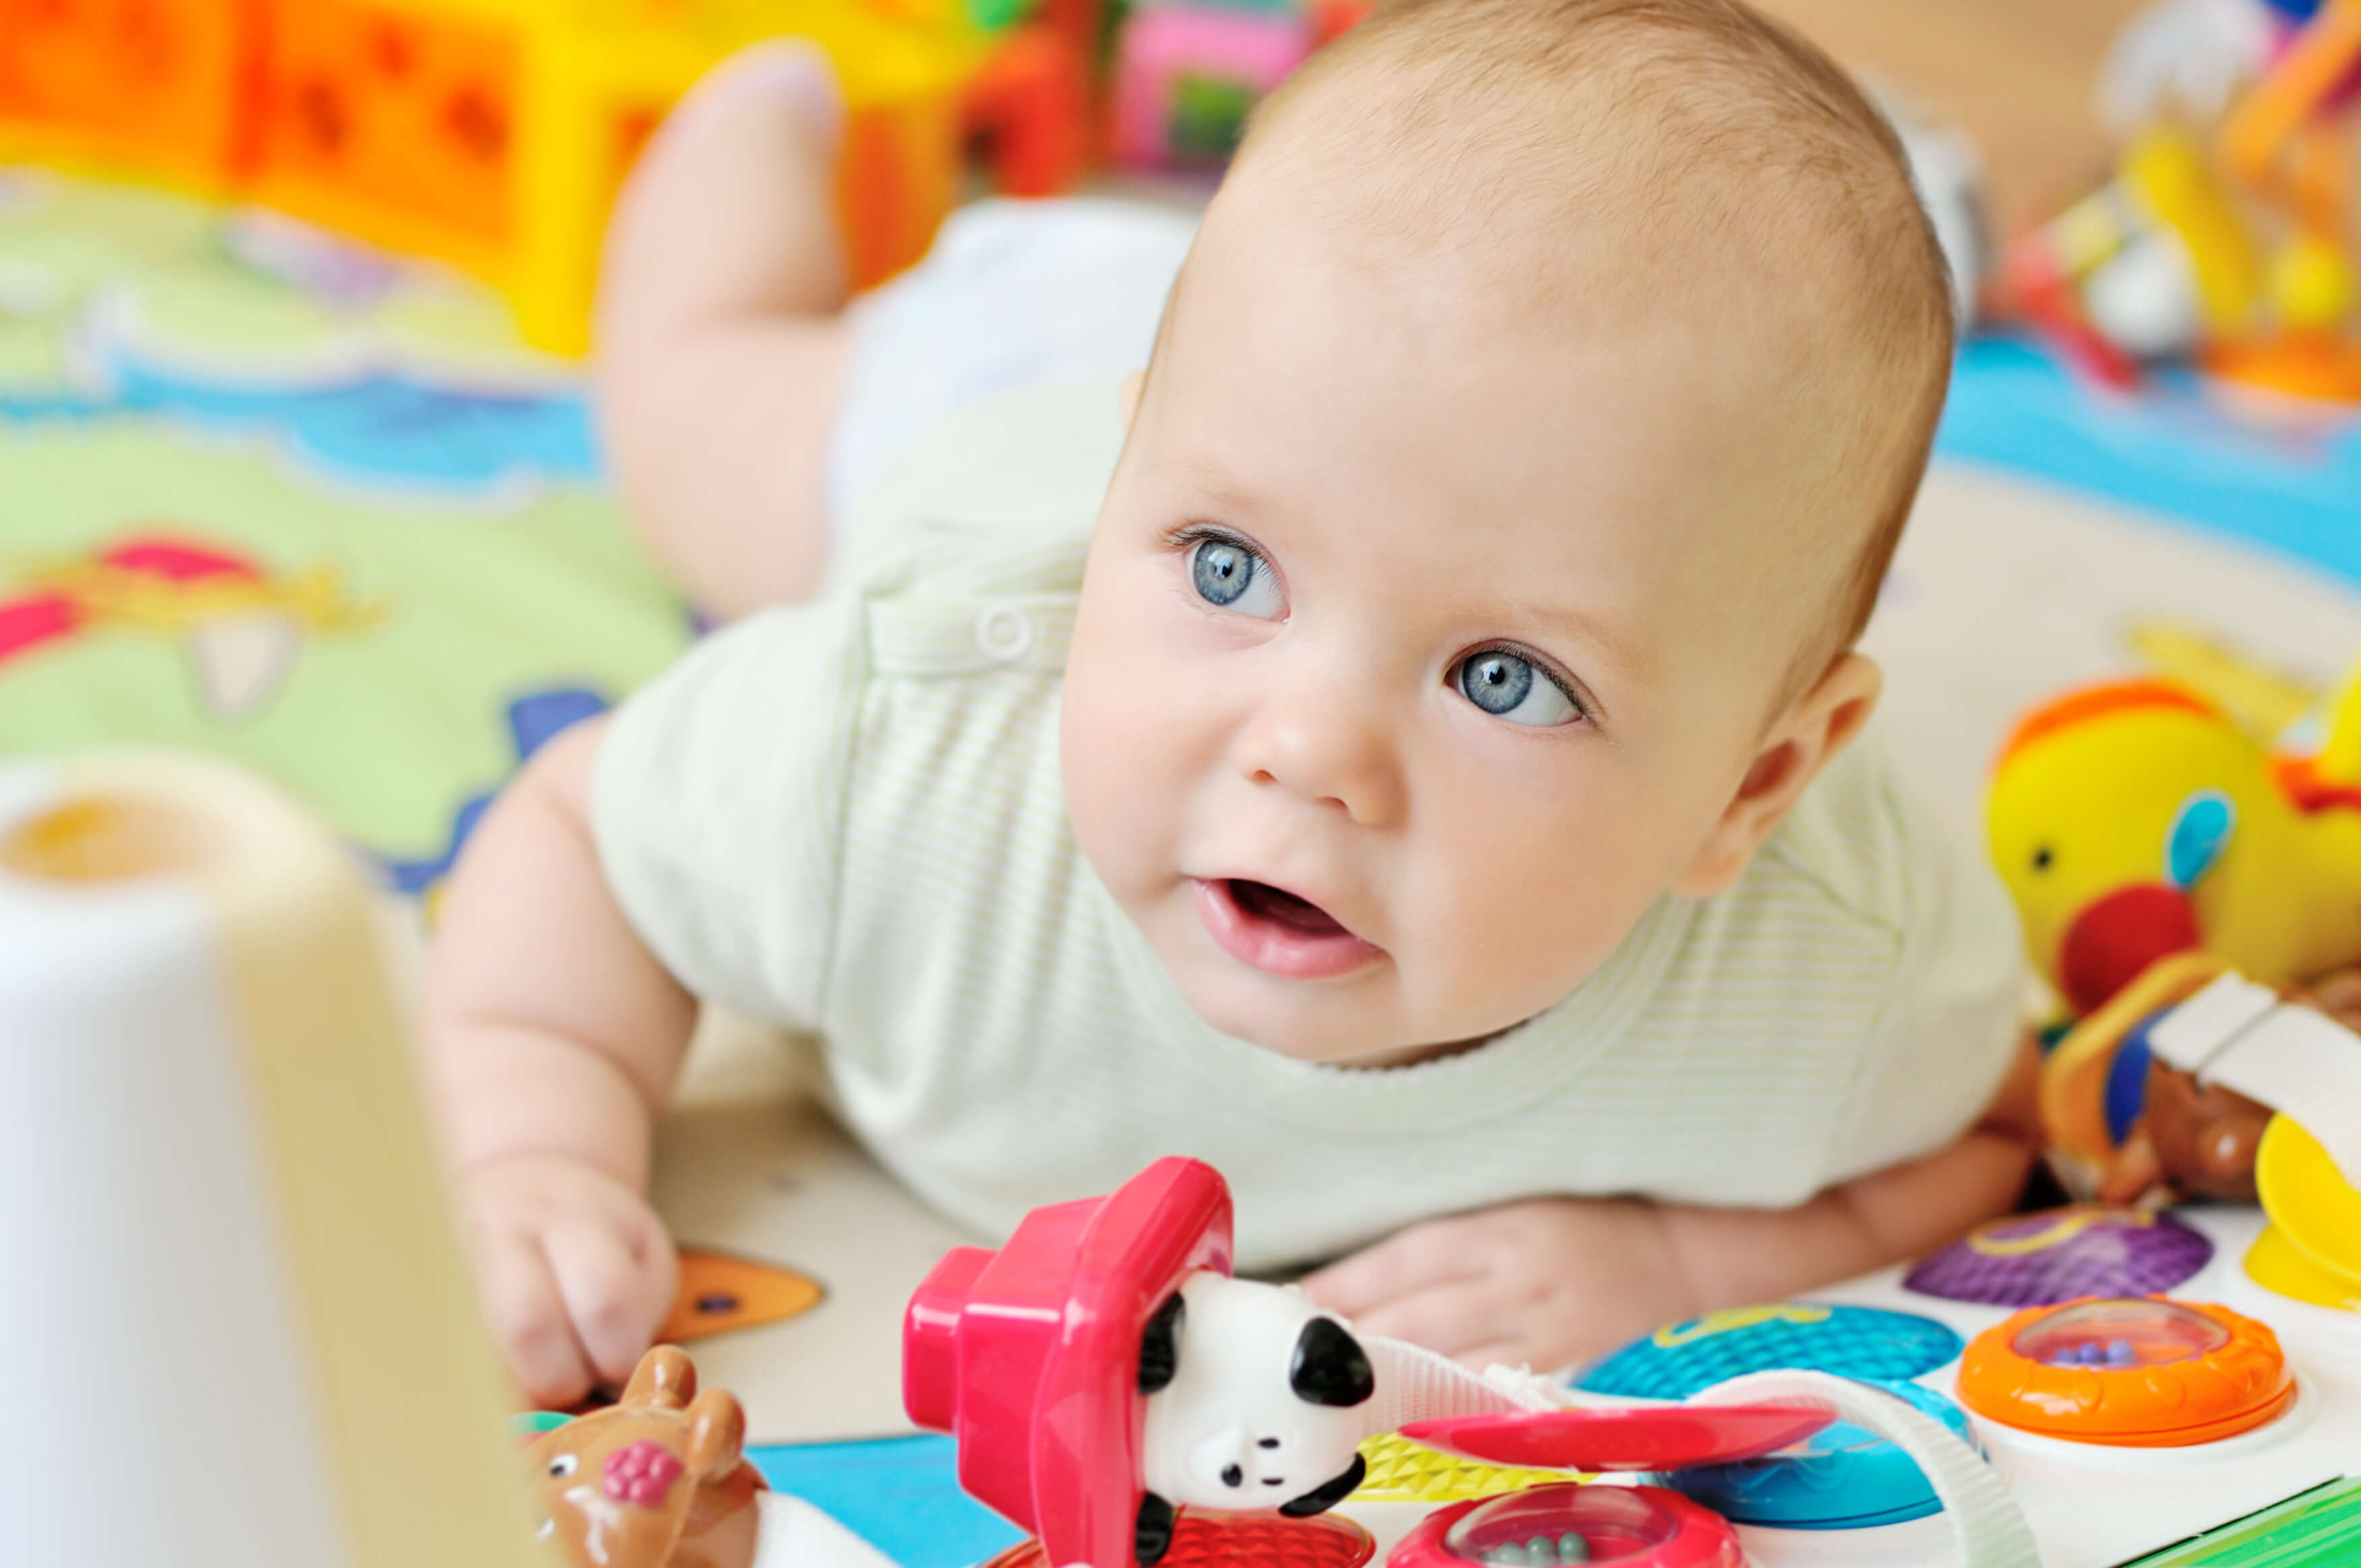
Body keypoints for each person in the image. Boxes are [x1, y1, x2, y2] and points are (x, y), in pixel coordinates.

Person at [425, 0, 2037, 1407]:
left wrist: (1670, 1250)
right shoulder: (891, 754)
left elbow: (1984, 1133)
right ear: (1137, 494)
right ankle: (750, 123)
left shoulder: (1828, 971)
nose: (1308, 747)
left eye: (1503, 678)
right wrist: (532, 1146)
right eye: (1219, 573)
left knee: (1321, 450)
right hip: (992, 397)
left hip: (1302, 383)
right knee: (698, 425)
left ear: (1752, 788)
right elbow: (582, 825)